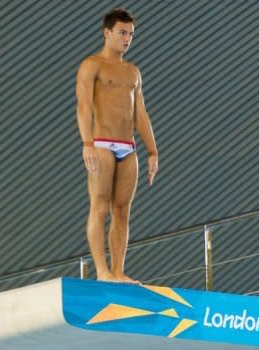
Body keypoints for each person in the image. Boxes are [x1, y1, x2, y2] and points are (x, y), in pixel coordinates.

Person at [75, 8, 158, 284]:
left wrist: (152, 150)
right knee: (99, 206)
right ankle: (102, 271)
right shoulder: (92, 65)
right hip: (101, 143)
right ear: (107, 32)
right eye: (122, 33)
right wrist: (87, 142)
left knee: (122, 211)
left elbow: (141, 113)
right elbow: (84, 106)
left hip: (128, 146)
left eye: (131, 34)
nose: (127, 39)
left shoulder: (133, 72)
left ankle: (119, 271)